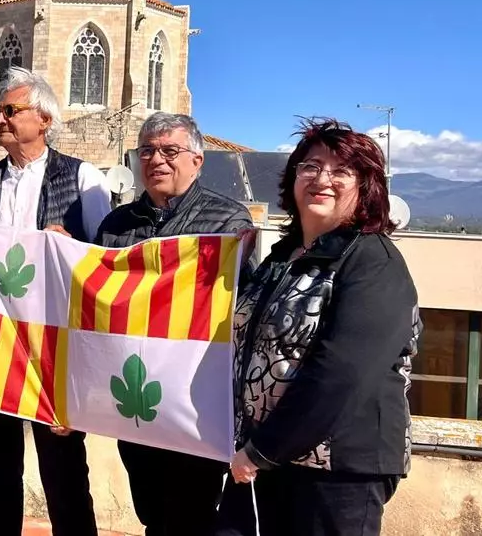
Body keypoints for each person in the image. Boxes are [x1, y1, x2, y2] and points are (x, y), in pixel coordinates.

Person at [218, 119, 422, 536]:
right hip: (263, 461)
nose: (322, 179)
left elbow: (341, 374)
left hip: (336, 472)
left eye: (341, 171)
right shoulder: (282, 258)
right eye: (310, 166)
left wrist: (262, 451)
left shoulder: (372, 262)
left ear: (366, 188)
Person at [0, 66, 108, 536]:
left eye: (10, 110)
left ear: (43, 119)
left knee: (62, 468)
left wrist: (73, 246)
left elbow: (104, 261)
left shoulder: (84, 179)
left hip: (55, 345)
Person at [94, 112, 253, 536]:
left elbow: (243, 308)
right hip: (135, 400)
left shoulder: (228, 223)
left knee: (191, 516)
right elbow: (94, 301)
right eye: (147, 151)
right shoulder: (114, 226)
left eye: (170, 151)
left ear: (197, 161)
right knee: (151, 513)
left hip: (194, 404)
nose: (157, 160)